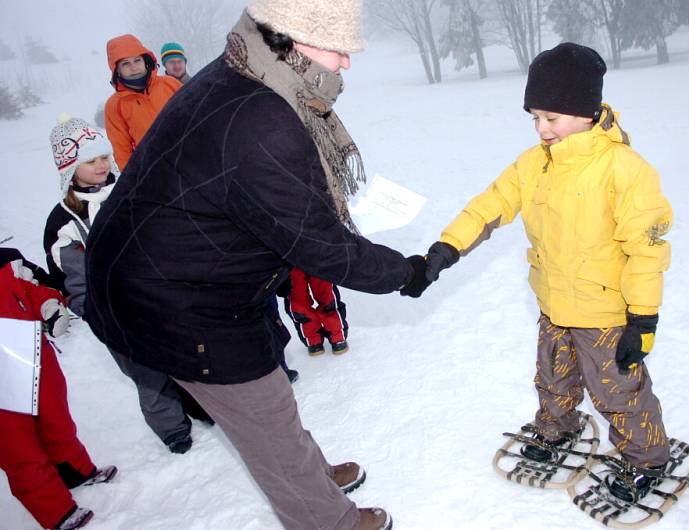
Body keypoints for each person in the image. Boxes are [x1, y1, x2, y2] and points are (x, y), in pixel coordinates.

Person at [84, 1, 429, 529]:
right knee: (261, 410)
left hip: (193, 267)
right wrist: (406, 273)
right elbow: (321, 246)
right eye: (337, 48)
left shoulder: (247, 66)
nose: (346, 63)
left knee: (269, 389)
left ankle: (307, 473)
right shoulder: (262, 121)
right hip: (173, 299)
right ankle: (324, 518)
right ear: (292, 37)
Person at [425, 43, 677, 502]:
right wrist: (448, 246)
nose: (541, 129)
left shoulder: (624, 170)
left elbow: (647, 249)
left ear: (583, 113)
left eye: (551, 118)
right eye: (535, 118)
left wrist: (643, 319)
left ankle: (646, 458)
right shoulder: (534, 163)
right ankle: (556, 428)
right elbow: (491, 204)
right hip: (552, 302)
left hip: (604, 312)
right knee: (553, 377)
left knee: (617, 390)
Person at [43, 115, 211, 454]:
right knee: (148, 374)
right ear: (69, 169)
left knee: (183, 355)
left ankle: (200, 405)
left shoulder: (129, 188)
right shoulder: (64, 222)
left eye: (104, 156)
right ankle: (172, 428)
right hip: (117, 313)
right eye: (90, 160)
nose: (102, 164)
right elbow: (75, 280)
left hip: (159, 296)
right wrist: (97, 313)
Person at [0, 248, 117, 530]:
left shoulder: (7, 260)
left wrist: (49, 305)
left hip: (33, 354)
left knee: (56, 419)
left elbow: (34, 288)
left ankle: (74, 470)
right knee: (17, 445)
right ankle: (55, 510)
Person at [104, 34, 182, 171]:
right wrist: (136, 183)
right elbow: (121, 151)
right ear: (117, 70)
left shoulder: (171, 84)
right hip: (156, 172)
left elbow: (196, 117)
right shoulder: (115, 106)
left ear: (145, 61)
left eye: (137, 60)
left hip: (191, 157)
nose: (134, 68)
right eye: (126, 63)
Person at [282, 268, 350, 355]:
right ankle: (337, 338)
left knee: (298, 300)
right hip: (315, 258)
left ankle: (314, 342)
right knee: (326, 294)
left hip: (289, 260)